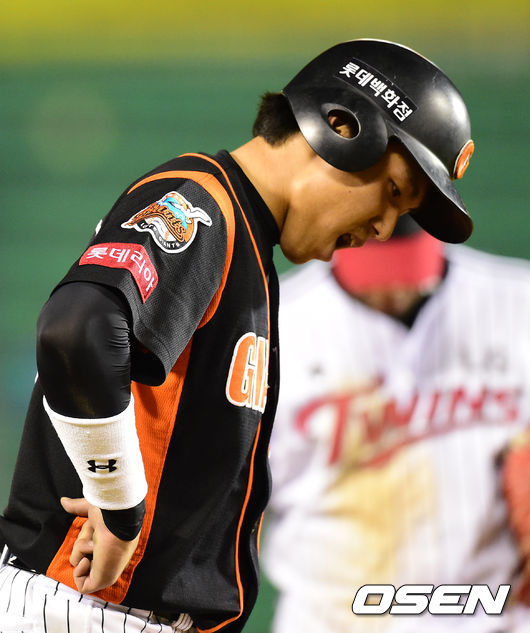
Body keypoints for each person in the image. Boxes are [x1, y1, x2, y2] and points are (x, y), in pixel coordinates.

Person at [0, 39, 475, 632]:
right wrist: (119, 505)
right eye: (395, 193)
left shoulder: (246, 241)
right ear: (340, 127)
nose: (384, 227)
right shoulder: (205, 205)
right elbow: (77, 331)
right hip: (87, 604)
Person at [262, 215, 530, 633]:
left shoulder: (517, 302)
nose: (392, 291)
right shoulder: (275, 327)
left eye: (407, 270)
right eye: (375, 272)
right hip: (333, 619)